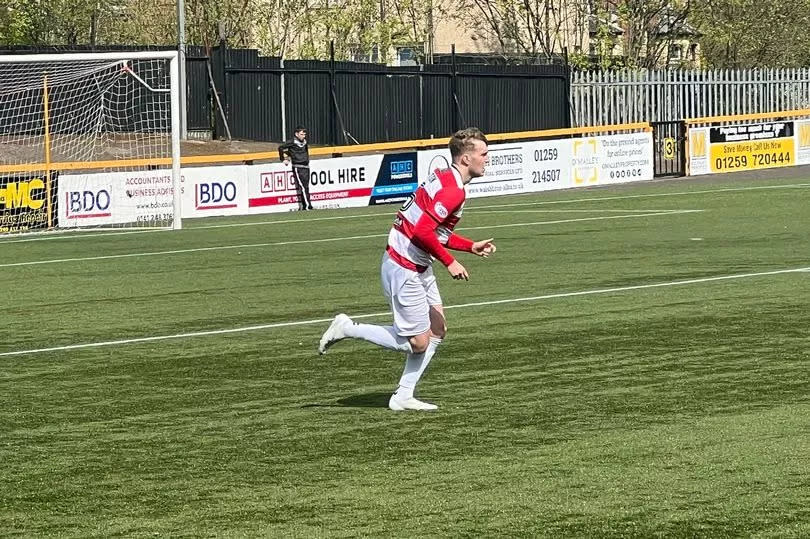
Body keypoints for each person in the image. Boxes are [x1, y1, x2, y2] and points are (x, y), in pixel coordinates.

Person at [318, 127, 497, 411]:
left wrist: (469, 246)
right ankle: (348, 328)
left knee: (437, 329)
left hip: (415, 262)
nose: (488, 159)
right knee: (417, 342)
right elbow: (424, 232)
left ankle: (403, 395)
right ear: (466, 159)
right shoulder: (452, 191)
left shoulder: (446, 179)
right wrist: (450, 261)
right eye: (484, 154)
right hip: (403, 266)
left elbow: (430, 230)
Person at [278, 125, 313, 210]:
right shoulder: (292, 142)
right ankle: (308, 205)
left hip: (306, 166)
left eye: (304, 134)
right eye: (301, 134)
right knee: (303, 186)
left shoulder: (304, 142)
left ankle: (306, 205)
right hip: (298, 167)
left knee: (306, 186)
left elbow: (304, 151)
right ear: (296, 134)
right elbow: (281, 148)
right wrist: (283, 159)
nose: (303, 136)